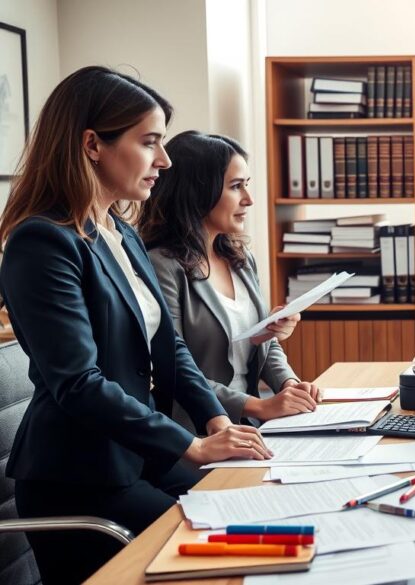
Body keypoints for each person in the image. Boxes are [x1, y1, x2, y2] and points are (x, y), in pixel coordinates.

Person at [0, 67, 274, 584]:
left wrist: (214, 419)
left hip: (139, 459)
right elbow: (78, 384)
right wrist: (189, 444)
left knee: (264, 513)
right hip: (83, 478)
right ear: (92, 145)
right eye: (150, 143)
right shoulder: (42, 244)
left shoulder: (120, 232)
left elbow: (168, 343)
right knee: (232, 560)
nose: (164, 161)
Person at [137, 131, 319, 429]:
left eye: (246, 185)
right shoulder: (162, 267)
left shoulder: (241, 259)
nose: (248, 199)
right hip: (198, 429)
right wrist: (260, 406)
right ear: (197, 193)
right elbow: (176, 370)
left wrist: (288, 385)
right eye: (236, 187)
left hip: (253, 423)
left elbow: (264, 343)